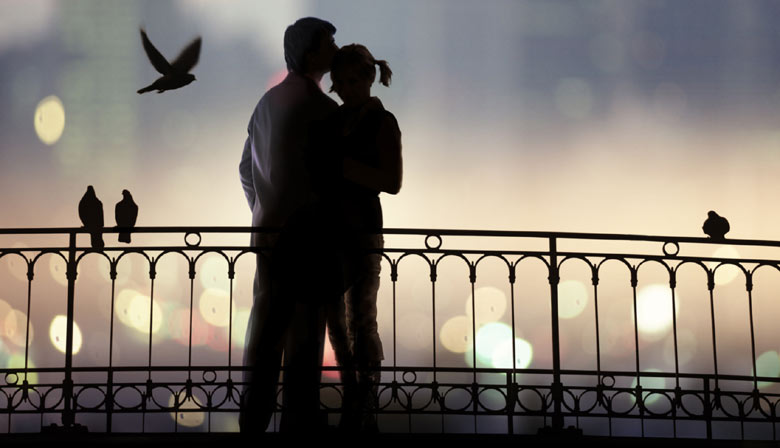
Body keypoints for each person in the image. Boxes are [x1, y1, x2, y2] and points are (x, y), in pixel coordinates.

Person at [238, 17, 339, 433]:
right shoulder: (322, 109)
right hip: (308, 237)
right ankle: (296, 424)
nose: (335, 50)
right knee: (304, 336)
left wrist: (263, 210)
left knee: (264, 334)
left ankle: (252, 420)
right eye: (329, 44)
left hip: (267, 235)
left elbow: (246, 169)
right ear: (312, 52)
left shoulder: (266, 103)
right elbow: (334, 178)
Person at [321, 44, 403, 432]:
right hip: (337, 230)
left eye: (352, 82)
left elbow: (392, 181)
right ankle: (356, 398)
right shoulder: (341, 119)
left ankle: (363, 403)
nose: (346, 90)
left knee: (361, 321)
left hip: (362, 231)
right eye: (340, 84)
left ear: (369, 79)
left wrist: (345, 169)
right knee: (338, 322)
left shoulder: (382, 121)